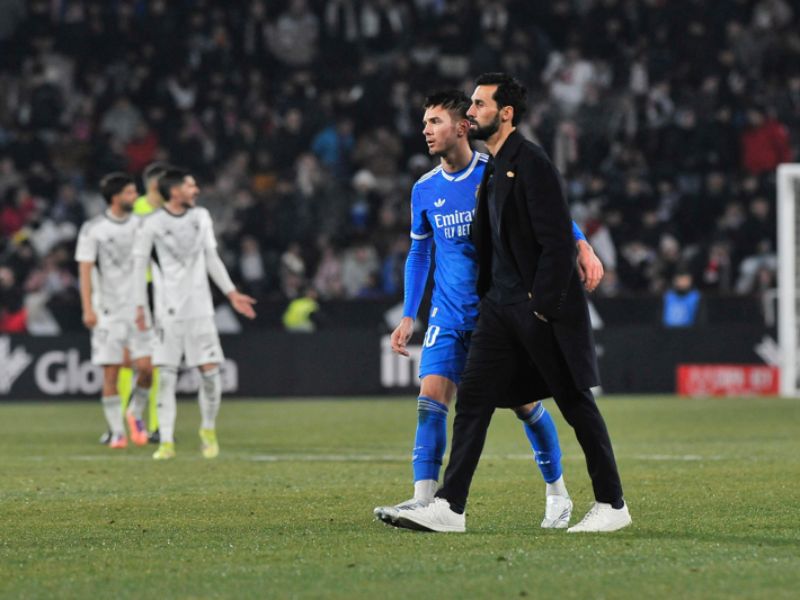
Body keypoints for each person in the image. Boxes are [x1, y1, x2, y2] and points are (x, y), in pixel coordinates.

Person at [394, 73, 630, 533]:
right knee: (469, 403)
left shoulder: (522, 164)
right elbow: (430, 249)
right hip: (486, 309)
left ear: (501, 114)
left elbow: (556, 226)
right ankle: (445, 504)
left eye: (477, 106)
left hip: (527, 307)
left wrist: (570, 263)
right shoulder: (470, 176)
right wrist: (413, 310)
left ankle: (600, 500)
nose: (471, 113)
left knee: (565, 402)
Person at [132, 167, 257, 460]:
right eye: (190, 185)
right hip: (167, 312)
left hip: (201, 310)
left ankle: (208, 431)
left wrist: (231, 293)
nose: (196, 189)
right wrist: (140, 306)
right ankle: (165, 440)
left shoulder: (200, 217)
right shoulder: (151, 223)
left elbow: (211, 258)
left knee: (211, 375)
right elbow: (139, 268)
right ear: (174, 191)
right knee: (165, 378)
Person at [75, 173, 155, 448]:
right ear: (115, 197)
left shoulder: (142, 225)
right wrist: (88, 308)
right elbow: (85, 271)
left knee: (146, 369)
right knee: (110, 372)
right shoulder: (93, 229)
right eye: (131, 193)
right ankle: (117, 431)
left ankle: (134, 412)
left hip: (138, 308)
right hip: (107, 309)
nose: (135, 198)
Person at [116, 161, 169, 443]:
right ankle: (120, 425)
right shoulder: (133, 210)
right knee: (126, 360)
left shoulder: (171, 213)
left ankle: (157, 426)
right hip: (131, 291)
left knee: (158, 360)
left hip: (159, 292)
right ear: (153, 186)